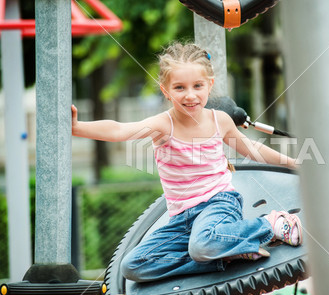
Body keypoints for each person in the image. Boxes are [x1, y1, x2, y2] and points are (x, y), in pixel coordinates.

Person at [72, 43, 302, 282]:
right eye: (179, 87)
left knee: (203, 244)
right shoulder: (163, 124)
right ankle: (225, 256)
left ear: (209, 85)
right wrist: (77, 128)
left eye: (198, 86)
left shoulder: (219, 120)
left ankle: (271, 225)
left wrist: (293, 163)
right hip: (182, 218)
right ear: (166, 90)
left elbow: (253, 149)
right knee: (133, 266)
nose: (190, 95)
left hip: (219, 203)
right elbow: (120, 130)